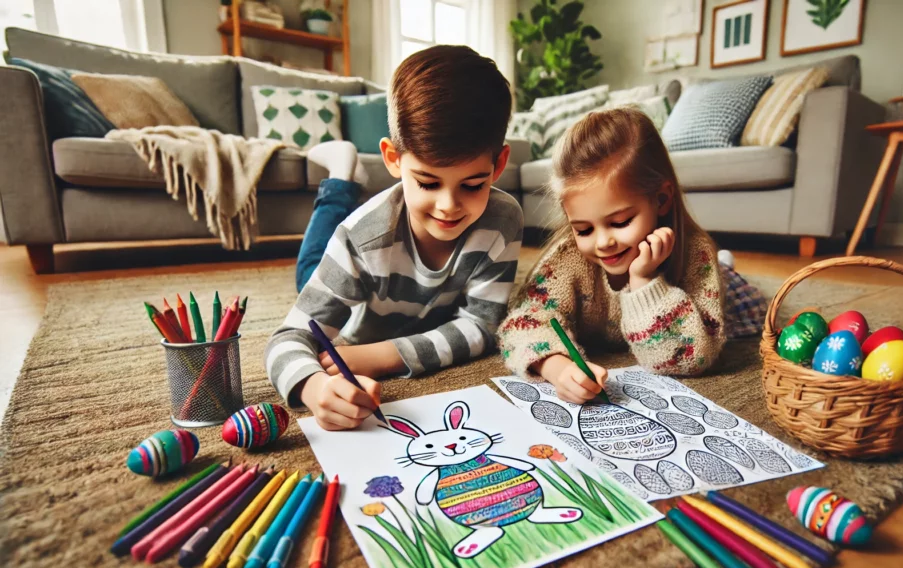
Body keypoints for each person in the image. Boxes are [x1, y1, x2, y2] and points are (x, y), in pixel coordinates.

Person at [266, 45, 523, 430]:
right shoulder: (358, 238)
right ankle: (340, 176)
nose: (449, 206)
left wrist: (377, 356)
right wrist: (312, 386)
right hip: (359, 273)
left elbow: (483, 326)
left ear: (499, 165)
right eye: (427, 182)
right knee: (313, 260)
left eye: (472, 185)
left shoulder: (503, 220)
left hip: (379, 293)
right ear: (393, 159)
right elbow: (287, 339)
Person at [497, 107, 766, 404]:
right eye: (584, 229)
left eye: (620, 222)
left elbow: (690, 360)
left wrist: (644, 282)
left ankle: (725, 265)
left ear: (661, 199)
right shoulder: (568, 259)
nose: (602, 243)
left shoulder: (695, 254)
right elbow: (520, 325)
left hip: (697, 286)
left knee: (740, 295)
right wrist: (557, 368)